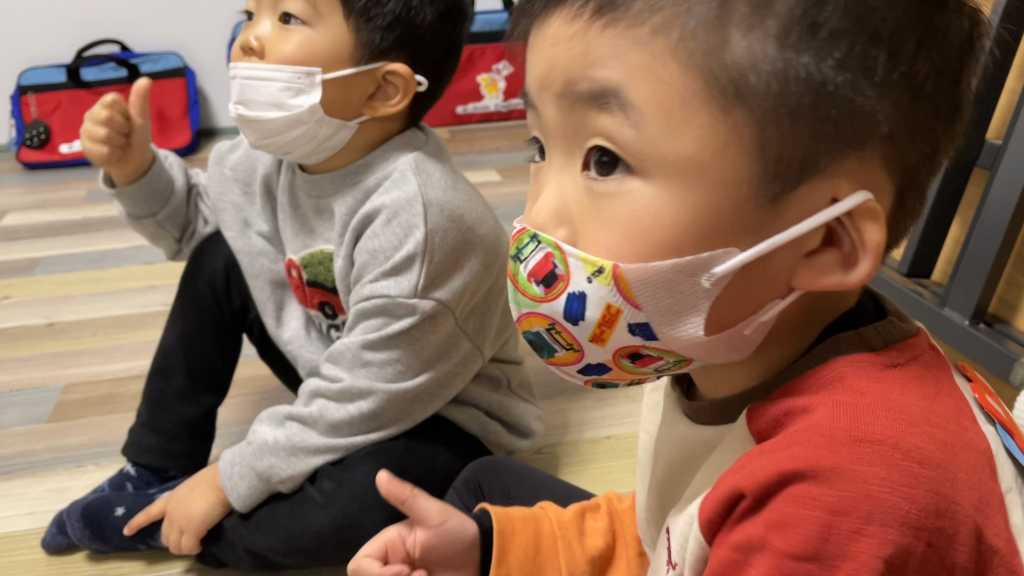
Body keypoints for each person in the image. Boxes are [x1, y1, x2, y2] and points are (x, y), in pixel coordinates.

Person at [348, 0, 1024, 574]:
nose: (539, 218)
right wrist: (492, 549)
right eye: (540, 148)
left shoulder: (839, 506)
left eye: (604, 160)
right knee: (482, 495)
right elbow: (671, 530)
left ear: (825, 241)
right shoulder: (724, 342)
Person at [40, 0, 542, 570]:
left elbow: (369, 392)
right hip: (342, 371)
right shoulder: (267, 158)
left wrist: (229, 480)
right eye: (251, 12)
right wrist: (136, 170)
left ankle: (177, 526)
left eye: (287, 19)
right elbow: (195, 227)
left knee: (362, 502)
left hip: (441, 419)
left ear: (382, 90)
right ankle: (156, 468)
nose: (249, 38)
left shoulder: (423, 217)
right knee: (219, 257)